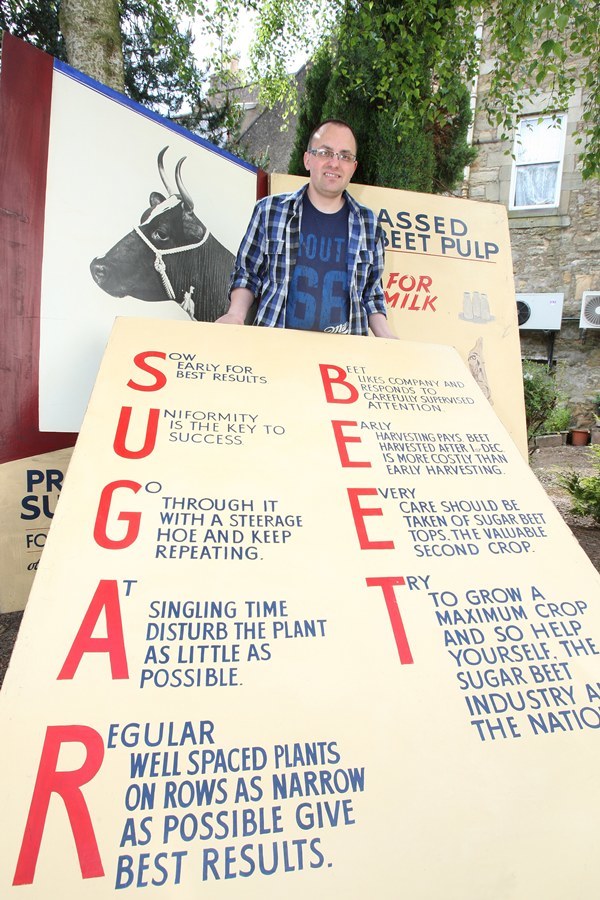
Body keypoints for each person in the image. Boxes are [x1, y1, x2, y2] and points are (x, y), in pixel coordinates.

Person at [216, 119, 396, 338]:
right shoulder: (269, 211)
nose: (334, 163)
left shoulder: (369, 224)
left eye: (345, 156)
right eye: (325, 153)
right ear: (308, 159)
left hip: (346, 358)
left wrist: (388, 339)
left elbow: (371, 293)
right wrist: (235, 315)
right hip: (277, 349)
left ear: (353, 167)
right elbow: (248, 273)